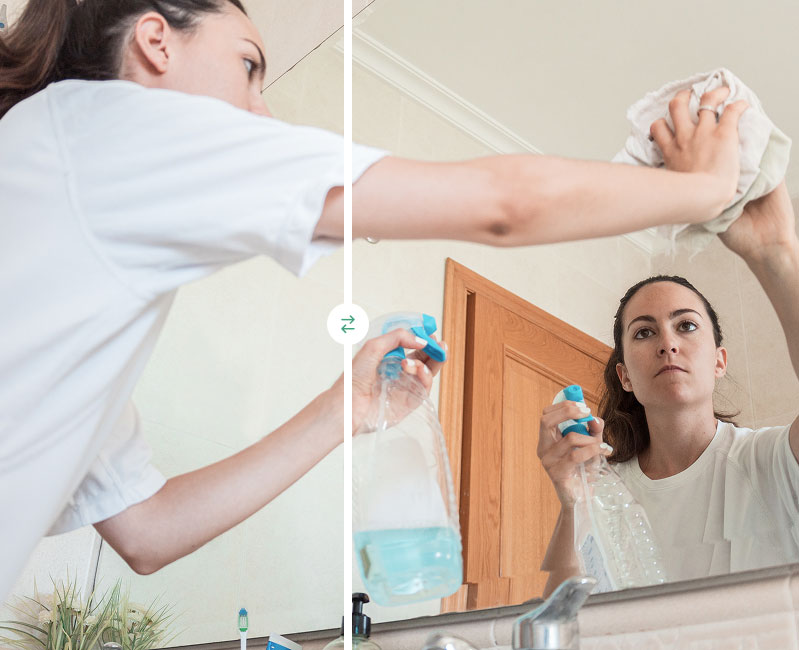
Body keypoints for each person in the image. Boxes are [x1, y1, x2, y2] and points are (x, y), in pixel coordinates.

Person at [0, 0, 747, 601]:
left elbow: (145, 530)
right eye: (249, 66)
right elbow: (503, 204)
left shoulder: (57, 207)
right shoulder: (107, 125)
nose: (263, 114)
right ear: (155, 43)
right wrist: (703, 189)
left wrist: (345, 409)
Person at [537, 181, 799, 594]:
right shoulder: (605, 494)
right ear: (625, 376)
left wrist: (777, 254)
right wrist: (574, 502)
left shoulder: (770, 462)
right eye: (644, 332)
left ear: (719, 361)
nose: (668, 343)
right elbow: (566, 615)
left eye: (687, 325)